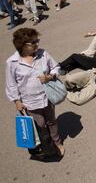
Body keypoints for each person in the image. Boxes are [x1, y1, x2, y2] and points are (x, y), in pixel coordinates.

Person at [5, 28, 64, 158]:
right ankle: (47, 145)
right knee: (40, 125)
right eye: (34, 42)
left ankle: (57, 142)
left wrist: (49, 77)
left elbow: (56, 68)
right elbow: (11, 84)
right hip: (30, 102)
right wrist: (17, 101)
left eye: (37, 41)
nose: (37, 44)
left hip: (47, 97)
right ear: (23, 45)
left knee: (51, 121)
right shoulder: (12, 62)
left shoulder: (43, 54)